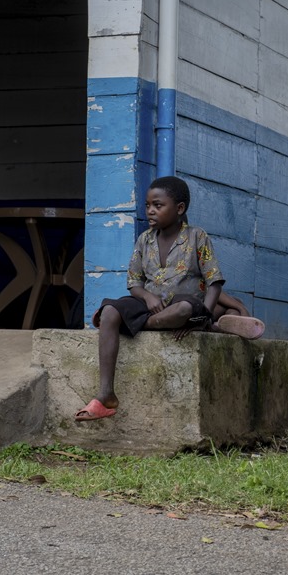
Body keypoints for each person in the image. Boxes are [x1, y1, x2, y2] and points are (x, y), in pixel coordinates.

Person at [75, 176, 262, 421]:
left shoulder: (197, 236)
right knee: (110, 310)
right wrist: (147, 296)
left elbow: (214, 281)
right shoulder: (144, 240)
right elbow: (134, 282)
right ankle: (105, 395)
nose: (150, 211)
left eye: (158, 205)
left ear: (180, 208)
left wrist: (201, 317)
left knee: (183, 309)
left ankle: (208, 322)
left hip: (186, 304)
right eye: (147, 205)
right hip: (151, 306)